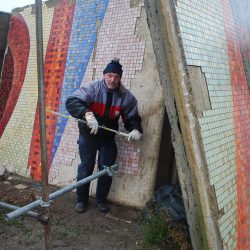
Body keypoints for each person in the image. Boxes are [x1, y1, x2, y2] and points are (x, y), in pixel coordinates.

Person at [66, 58, 143, 213]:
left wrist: (136, 130)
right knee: (85, 168)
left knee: (107, 169)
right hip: (88, 135)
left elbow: (132, 117)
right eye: (109, 75)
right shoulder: (93, 88)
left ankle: (101, 200)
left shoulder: (126, 97)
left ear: (120, 78)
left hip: (107, 138)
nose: (112, 80)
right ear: (104, 75)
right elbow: (72, 101)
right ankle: (81, 201)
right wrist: (87, 114)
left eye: (116, 76)